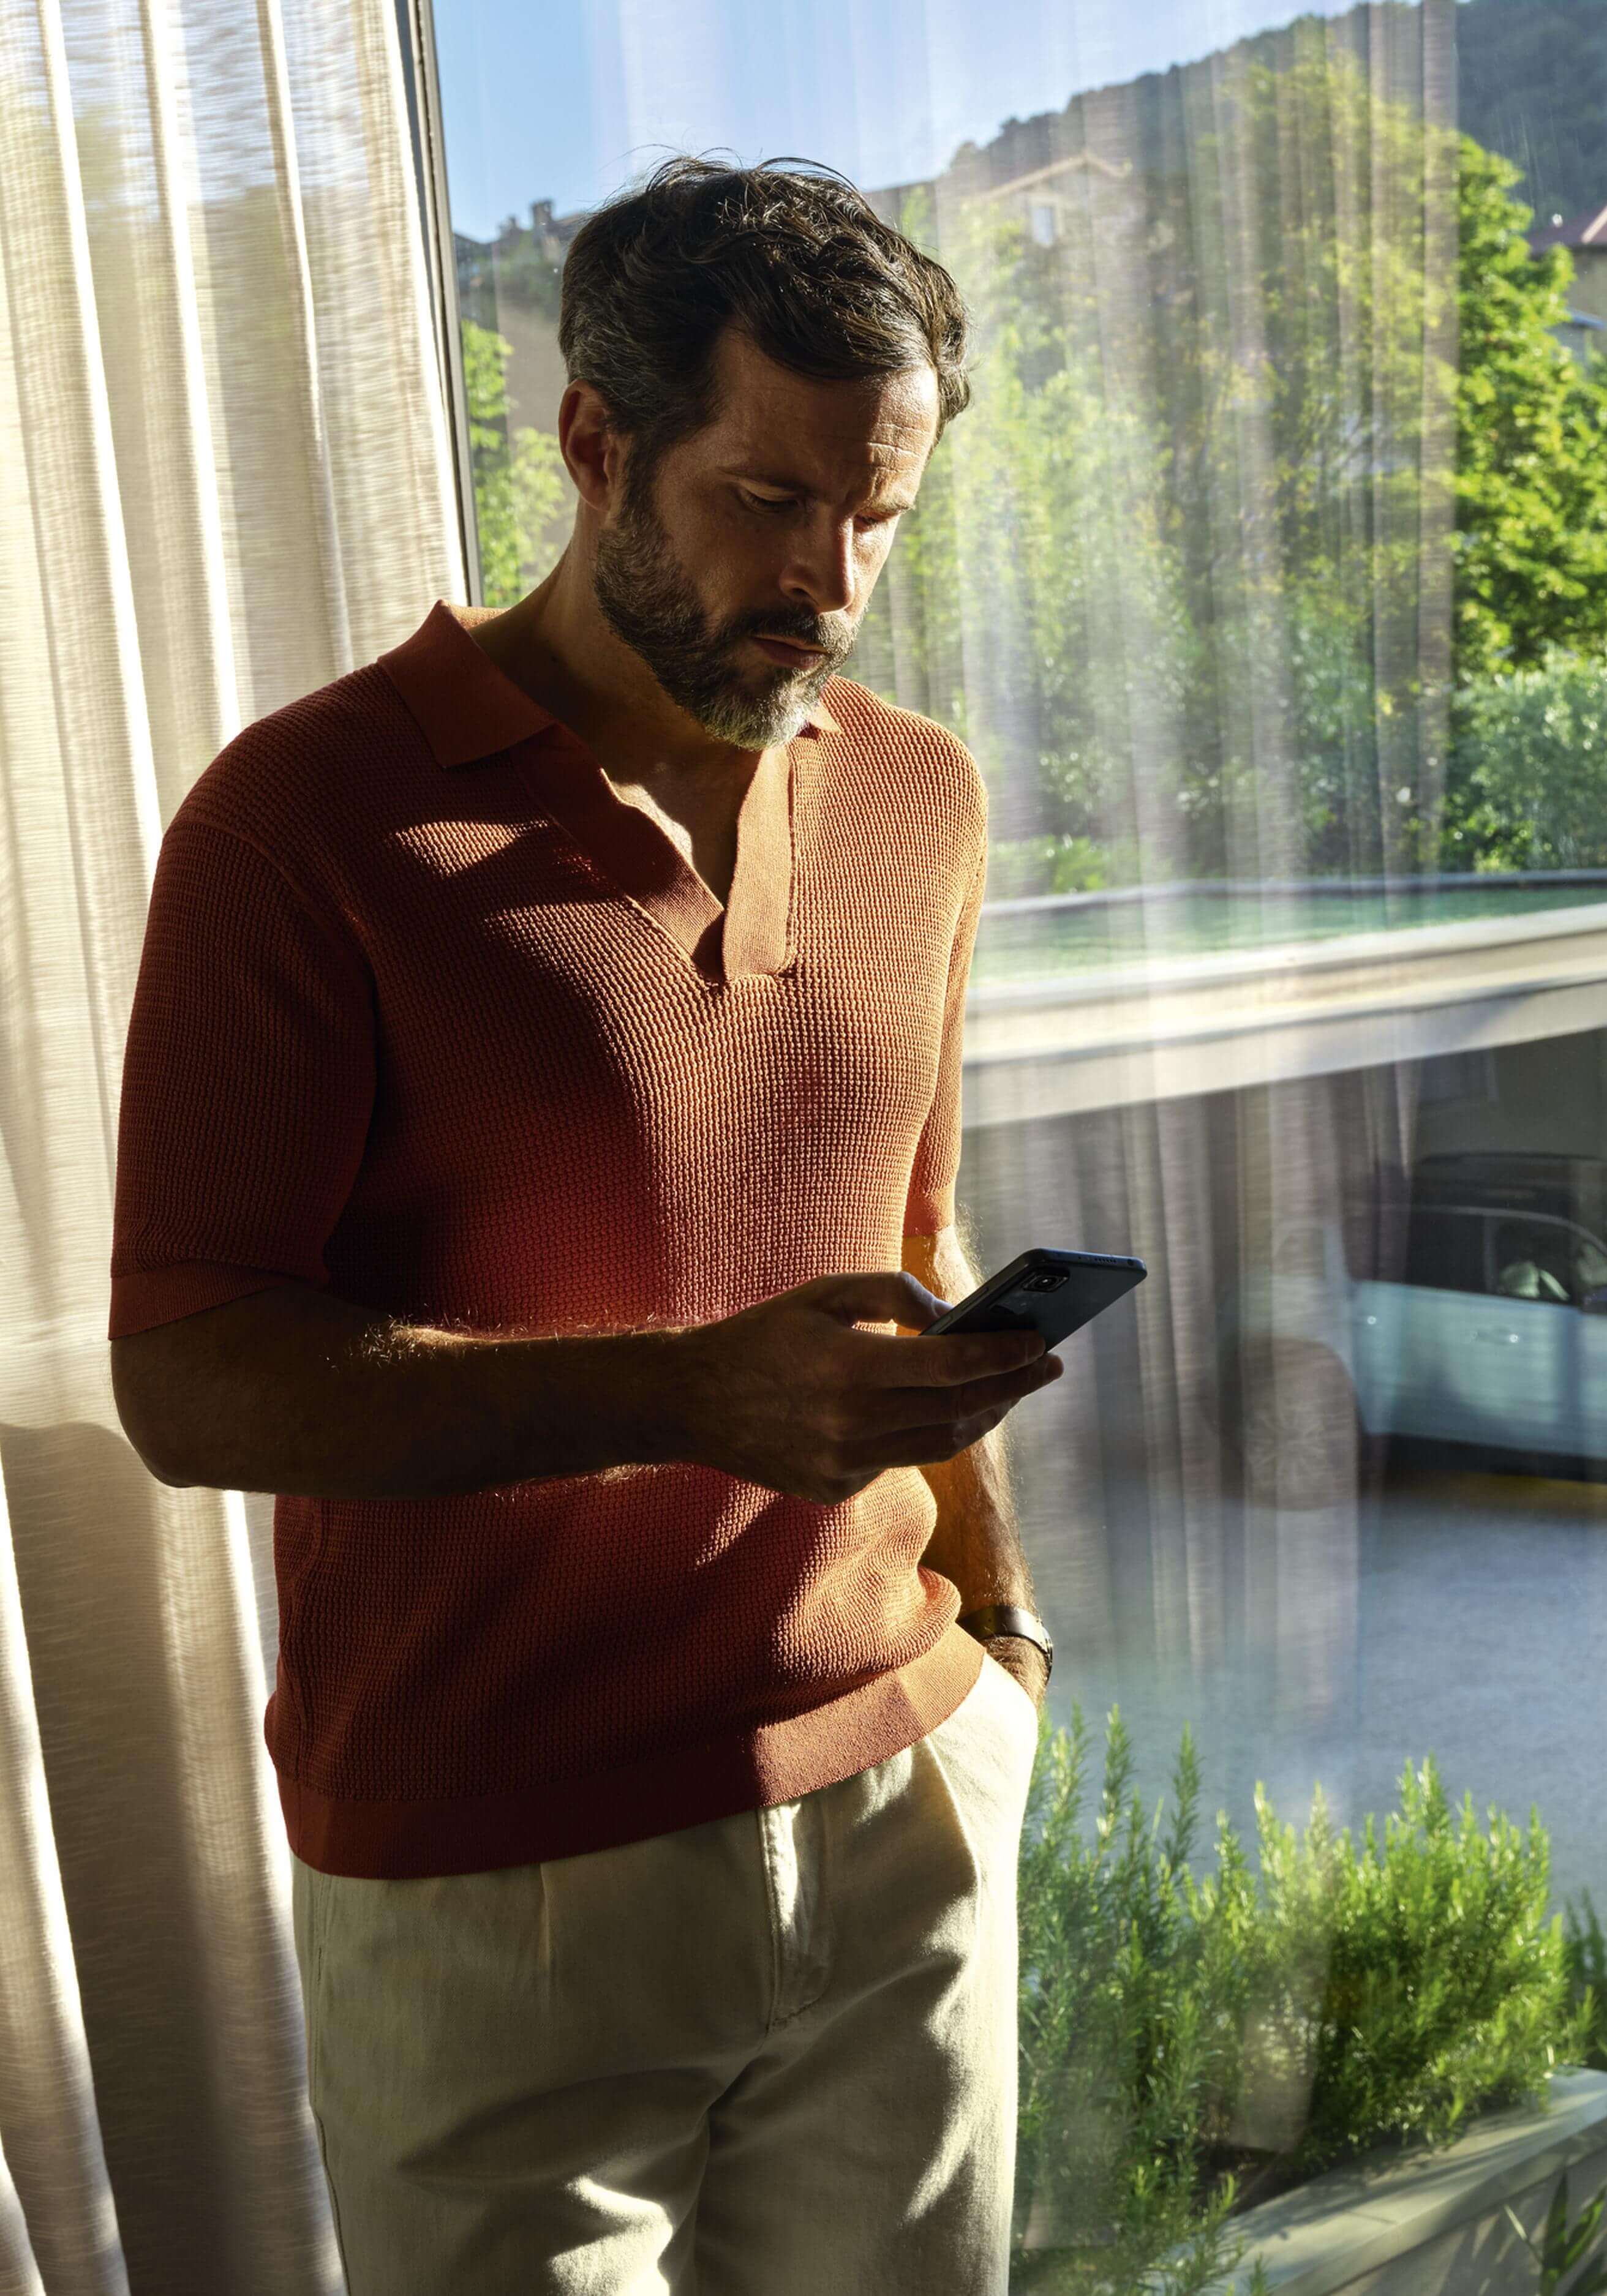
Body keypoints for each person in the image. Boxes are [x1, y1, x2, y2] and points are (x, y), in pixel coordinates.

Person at [107, 156, 1063, 2294]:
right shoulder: (305, 819)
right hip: (493, 1876)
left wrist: (1003, 1637)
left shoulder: (920, 792)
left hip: (901, 1796)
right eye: (767, 499)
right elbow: (186, 1378)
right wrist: (690, 1397)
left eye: (880, 514)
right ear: (596, 444)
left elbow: (917, 1227)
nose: (827, 578)